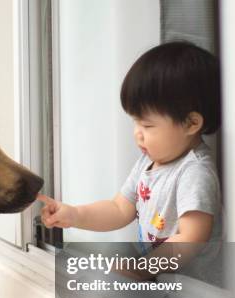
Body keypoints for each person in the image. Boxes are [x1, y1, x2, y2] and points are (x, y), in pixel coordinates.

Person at [38, 41, 223, 282]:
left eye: (147, 125)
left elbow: (192, 237)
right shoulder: (148, 162)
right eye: (135, 122)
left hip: (195, 294)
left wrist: (146, 267)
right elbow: (119, 209)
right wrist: (74, 215)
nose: (137, 133)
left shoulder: (195, 172)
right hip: (162, 282)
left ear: (191, 123)